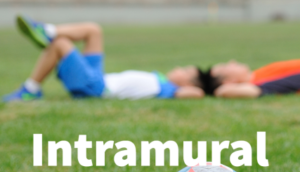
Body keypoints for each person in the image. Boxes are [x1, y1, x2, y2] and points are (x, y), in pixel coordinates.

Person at [3, 16, 211, 102]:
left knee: (61, 44)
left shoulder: (172, 90)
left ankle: (30, 90)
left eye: (185, 71)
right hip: (98, 77)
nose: (178, 68)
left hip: (96, 88)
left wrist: (213, 84)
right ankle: (47, 30)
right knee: (94, 30)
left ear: (187, 83)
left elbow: (199, 93)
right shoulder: (162, 79)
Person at [211, 59, 300, 98]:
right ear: (228, 81)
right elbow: (223, 91)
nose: (232, 62)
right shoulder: (260, 84)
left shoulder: (258, 73)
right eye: (225, 67)